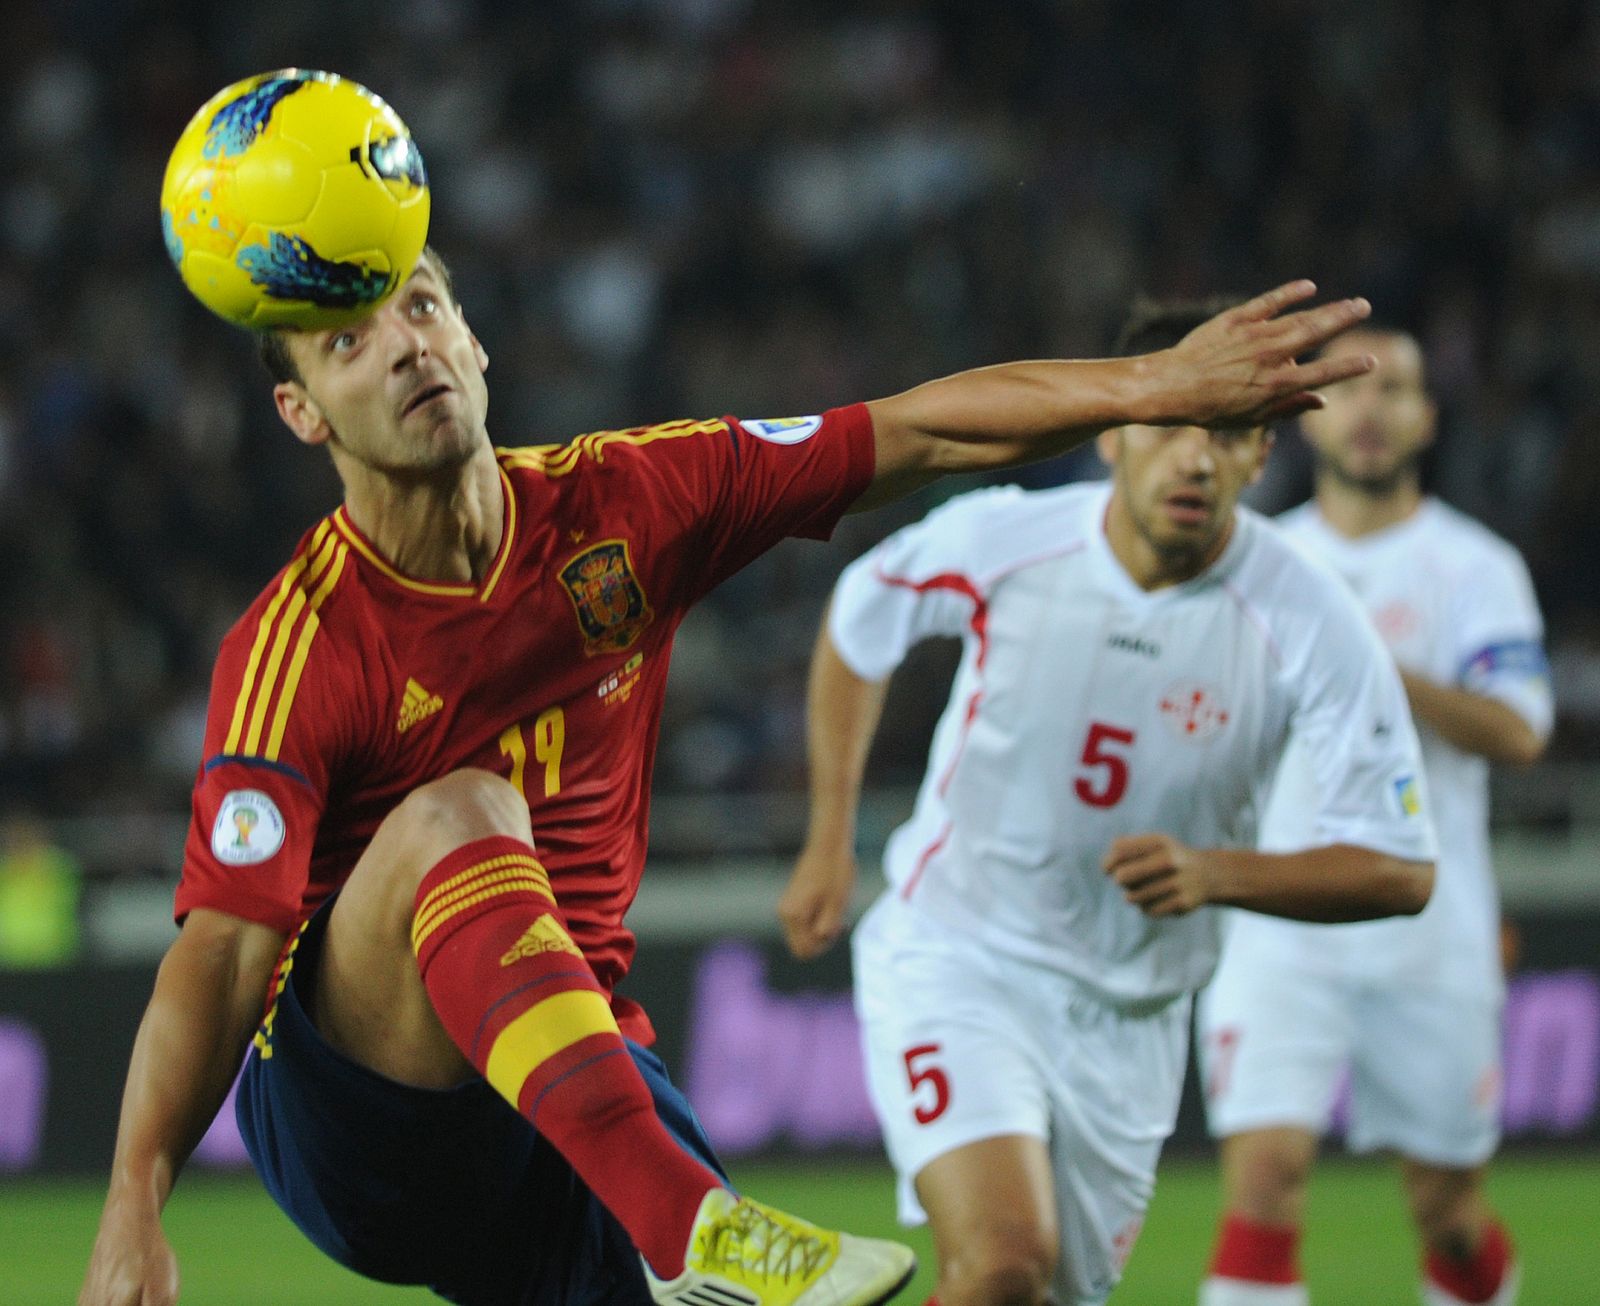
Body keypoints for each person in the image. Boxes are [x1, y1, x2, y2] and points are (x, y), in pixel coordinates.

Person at [78, 249, 1376, 1306]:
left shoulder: (630, 503)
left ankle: (687, 1226)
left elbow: (916, 430)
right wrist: (135, 1198)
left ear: (473, 337)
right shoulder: (300, 641)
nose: (407, 345)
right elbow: (223, 950)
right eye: (350, 342)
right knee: (461, 813)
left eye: (422, 306)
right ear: (302, 412)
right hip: (365, 1122)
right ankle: (692, 1222)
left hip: (574, 1090)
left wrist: (1152, 384)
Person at [776, 298, 1441, 1306]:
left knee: (1042, 1292)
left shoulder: (1310, 617)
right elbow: (859, 624)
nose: (1195, 459)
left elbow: (1401, 867)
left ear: (1263, 455)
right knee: (1005, 1264)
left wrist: (1218, 873)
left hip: (1131, 1019)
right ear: (1115, 429)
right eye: (1171, 423)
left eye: (1228, 433)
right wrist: (828, 835)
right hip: (960, 956)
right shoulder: (1006, 538)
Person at [1194, 326, 1551, 1306]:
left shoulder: (1473, 567)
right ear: (1308, 420)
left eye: (1393, 388)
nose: (1368, 409)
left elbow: (1519, 731)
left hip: (1428, 928)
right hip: (1280, 924)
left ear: (1426, 418)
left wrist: (1373, 669)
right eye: (1347, 388)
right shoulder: (1254, 562)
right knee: (1263, 1182)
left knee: (1447, 1209)